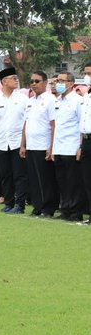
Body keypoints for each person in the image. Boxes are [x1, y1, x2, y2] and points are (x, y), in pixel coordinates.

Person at [0, 67, 29, 214]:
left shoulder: (23, 99)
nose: (16, 80)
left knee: (19, 175)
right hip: (0, 142)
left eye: (16, 77)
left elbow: (26, 121)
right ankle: (8, 202)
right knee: (5, 175)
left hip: (18, 142)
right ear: (4, 81)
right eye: (12, 78)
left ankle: (20, 204)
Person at [19, 71, 58, 218]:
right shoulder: (30, 101)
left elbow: (53, 125)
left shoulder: (50, 100)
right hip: (31, 145)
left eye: (37, 81)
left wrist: (51, 146)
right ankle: (37, 206)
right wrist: (22, 145)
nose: (34, 84)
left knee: (46, 179)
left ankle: (48, 208)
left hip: (44, 145)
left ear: (45, 82)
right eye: (32, 81)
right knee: (33, 178)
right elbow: (25, 124)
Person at [51, 72, 85, 222]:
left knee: (73, 182)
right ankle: (65, 209)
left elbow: (81, 125)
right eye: (57, 80)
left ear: (71, 83)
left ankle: (75, 211)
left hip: (72, 147)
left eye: (62, 81)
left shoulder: (78, 101)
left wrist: (80, 147)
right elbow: (56, 126)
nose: (58, 83)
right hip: (59, 147)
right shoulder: (58, 101)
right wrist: (53, 148)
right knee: (62, 181)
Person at [79, 62, 91, 224]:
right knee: (87, 179)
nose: (87, 76)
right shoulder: (87, 95)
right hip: (87, 140)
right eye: (86, 73)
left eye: (90, 73)